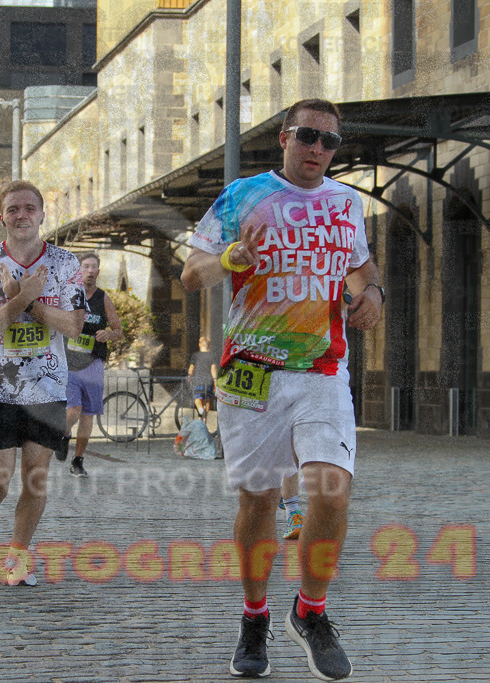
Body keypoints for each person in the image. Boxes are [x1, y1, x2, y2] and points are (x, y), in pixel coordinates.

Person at [180, 98, 383, 681]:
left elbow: (361, 271)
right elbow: (192, 275)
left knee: (332, 489)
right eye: (308, 137)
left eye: (330, 142)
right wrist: (227, 256)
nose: (319, 149)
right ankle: (254, 616)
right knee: (260, 501)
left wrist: (373, 297)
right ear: (284, 139)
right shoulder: (243, 195)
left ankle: (311, 611)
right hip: (252, 373)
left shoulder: (347, 204)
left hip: (322, 369)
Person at [0, 180, 86, 587]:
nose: (21, 215)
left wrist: (28, 301)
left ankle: (18, 555)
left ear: (42, 214)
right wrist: (16, 301)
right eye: (13, 209)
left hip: (47, 387)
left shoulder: (66, 264)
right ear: (2, 216)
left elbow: (74, 325)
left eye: (29, 208)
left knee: (36, 475)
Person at [55, 252, 123, 477]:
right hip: (69, 363)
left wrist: (108, 334)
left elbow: (119, 331)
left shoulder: (103, 298)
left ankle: (78, 460)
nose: (90, 271)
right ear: (79, 270)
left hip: (92, 363)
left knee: (87, 416)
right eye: (86, 267)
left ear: (99, 272)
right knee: (73, 410)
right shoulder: (68, 295)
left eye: (94, 267)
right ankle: (65, 433)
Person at [187, 335, 218, 422]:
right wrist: (215, 381)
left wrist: (189, 376)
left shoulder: (195, 355)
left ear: (199, 345)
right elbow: (213, 369)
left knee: (197, 399)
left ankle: (201, 410)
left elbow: (191, 368)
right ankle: (204, 419)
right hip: (208, 382)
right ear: (209, 346)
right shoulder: (212, 356)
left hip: (198, 381)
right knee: (207, 400)